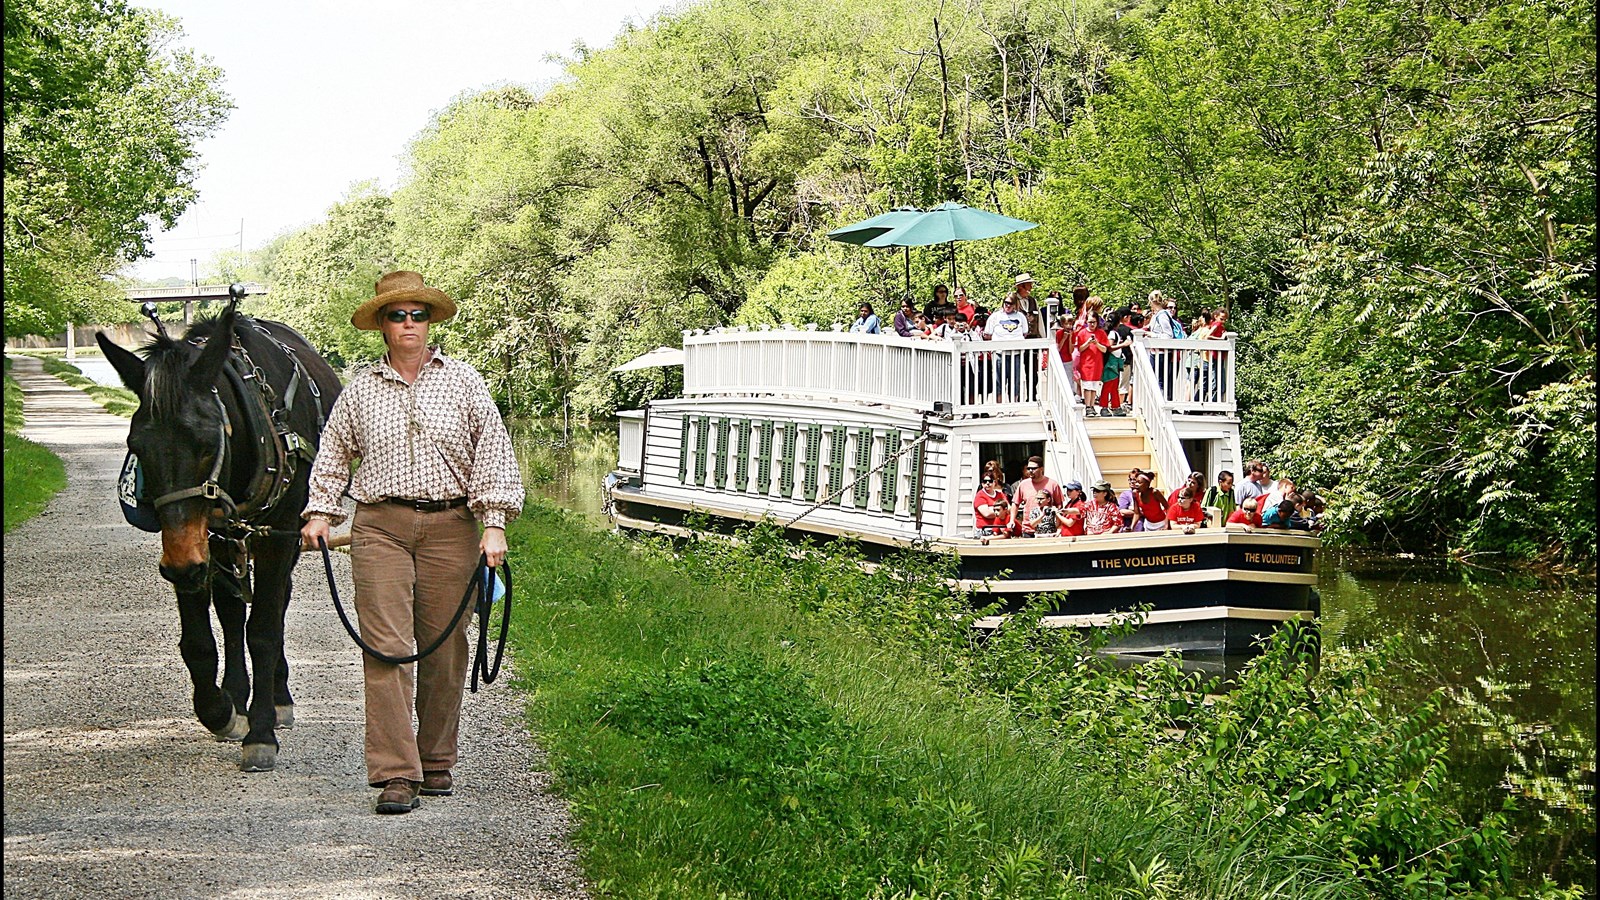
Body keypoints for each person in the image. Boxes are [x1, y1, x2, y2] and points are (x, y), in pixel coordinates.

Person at [300, 270, 526, 816]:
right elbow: (332, 454)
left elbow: (493, 450)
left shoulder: (465, 382)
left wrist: (493, 522)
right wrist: (321, 514)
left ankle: (436, 759)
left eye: (417, 314)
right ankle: (396, 773)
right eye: (397, 315)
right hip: (379, 526)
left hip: (453, 527)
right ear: (381, 324)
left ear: (430, 321)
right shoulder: (359, 391)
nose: (408, 323)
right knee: (386, 646)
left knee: (446, 648)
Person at [982, 293, 1030, 401]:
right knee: (999, 380)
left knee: (1015, 380)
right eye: (1006, 303)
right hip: (999, 352)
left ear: (1015, 304)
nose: (1008, 306)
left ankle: (1012, 405)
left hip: (1016, 353)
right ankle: (1000, 407)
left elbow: (1025, 333)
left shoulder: (1020, 316)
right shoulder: (995, 316)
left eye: (1010, 303)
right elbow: (987, 334)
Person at [1008, 456, 1063, 538]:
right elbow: (1015, 503)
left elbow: (1059, 505)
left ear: (1041, 469)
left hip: (1048, 530)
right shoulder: (1023, 484)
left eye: (1033, 468)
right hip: (1028, 529)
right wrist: (1012, 520)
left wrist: (1059, 526)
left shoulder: (1052, 484)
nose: (1030, 471)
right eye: (1028, 468)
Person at [1074, 296, 1109, 414]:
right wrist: (1088, 342)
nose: (1092, 325)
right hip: (1086, 364)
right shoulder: (1082, 333)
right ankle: (1087, 406)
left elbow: (1104, 349)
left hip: (1097, 363)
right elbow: (1080, 348)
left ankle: (1092, 405)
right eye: (1089, 322)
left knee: (1094, 386)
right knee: (1087, 386)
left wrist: (1096, 343)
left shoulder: (1101, 333)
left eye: (1094, 322)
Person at [972, 461, 1012, 537]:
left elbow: (1009, 509)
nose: (987, 483)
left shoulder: (1000, 494)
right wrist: (1001, 510)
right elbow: (987, 514)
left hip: (1001, 529)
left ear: (994, 482)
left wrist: (991, 508)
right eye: (984, 481)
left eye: (990, 481)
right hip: (985, 530)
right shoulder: (980, 495)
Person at [1006, 274, 1042, 338]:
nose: (1031, 287)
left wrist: (1043, 339)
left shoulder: (1033, 301)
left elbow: (1040, 323)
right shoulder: (1012, 300)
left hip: (1034, 340)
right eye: (1029, 285)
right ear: (1020, 286)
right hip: (1018, 339)